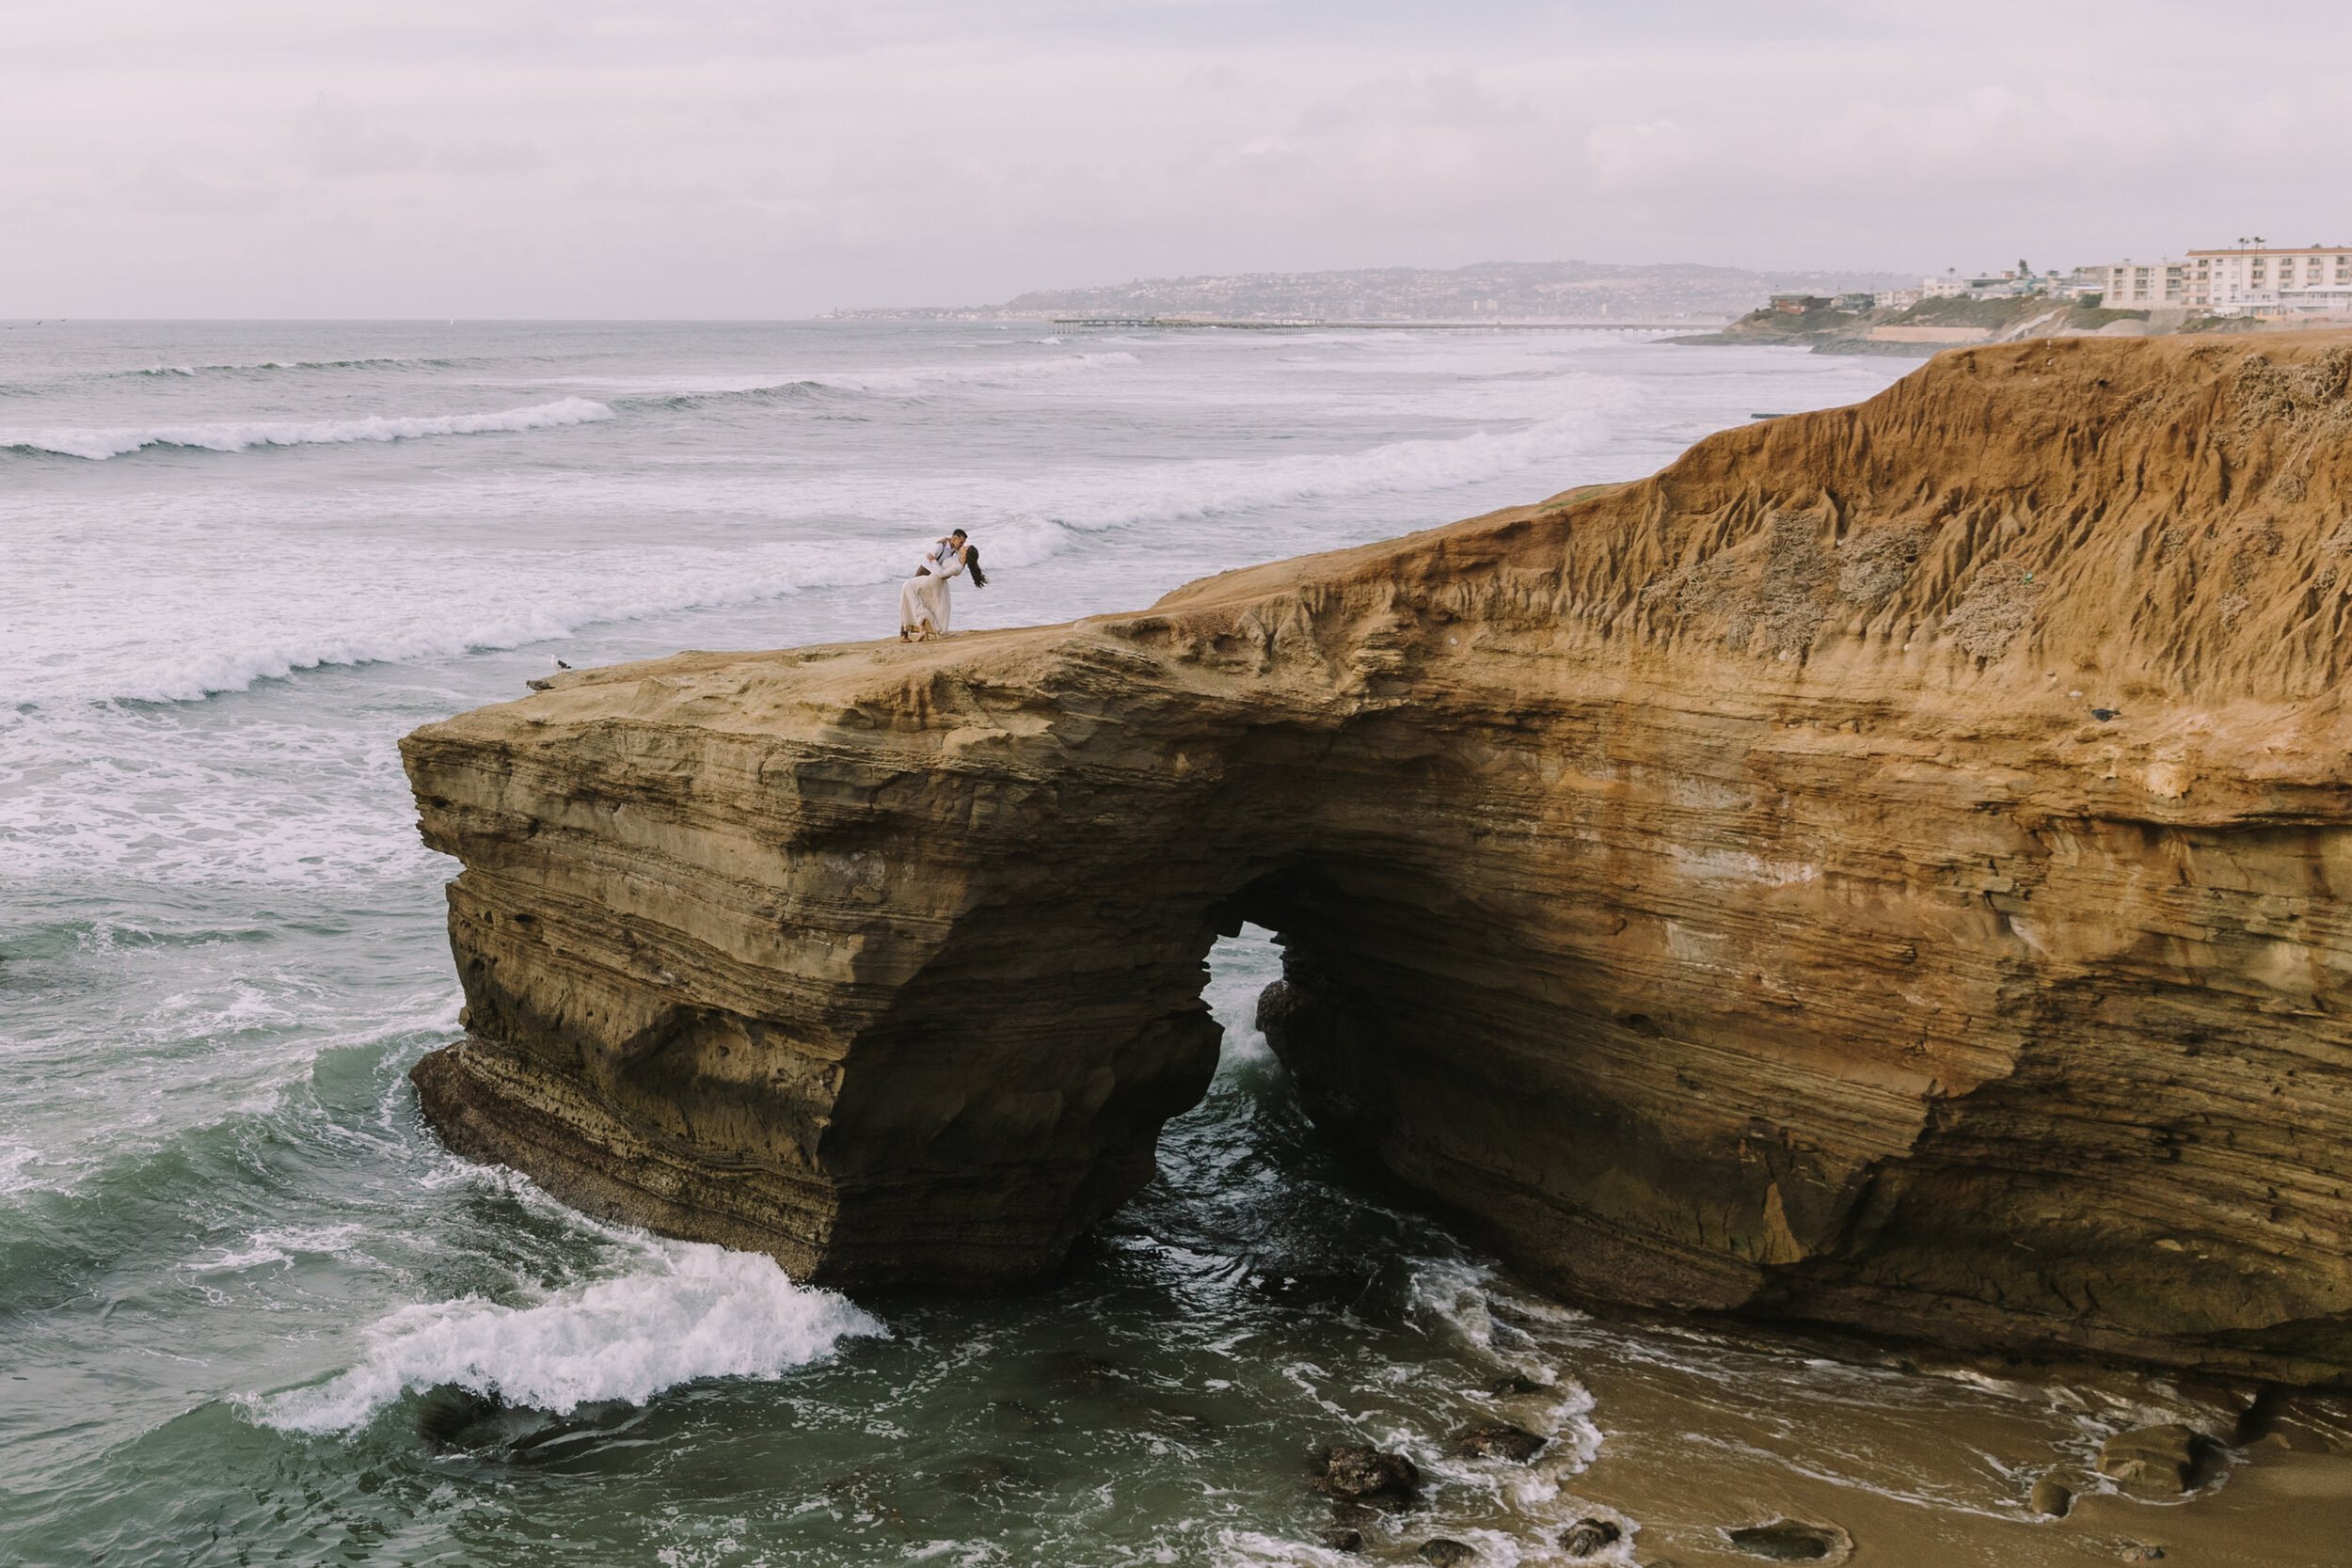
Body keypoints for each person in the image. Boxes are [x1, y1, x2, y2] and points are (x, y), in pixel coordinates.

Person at [898, 535, 987, 640]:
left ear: (966, 553)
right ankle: (921, 628)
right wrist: (946, 539)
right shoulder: (959, 556)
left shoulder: (958, 567)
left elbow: (941, 574)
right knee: (918, 597)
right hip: (935, 581)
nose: (963, 546)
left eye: (965, 547)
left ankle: (920, 627)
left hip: (934, 580)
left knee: (908, 586)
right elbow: (955, 543)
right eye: (963, 545)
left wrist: (934, 560)